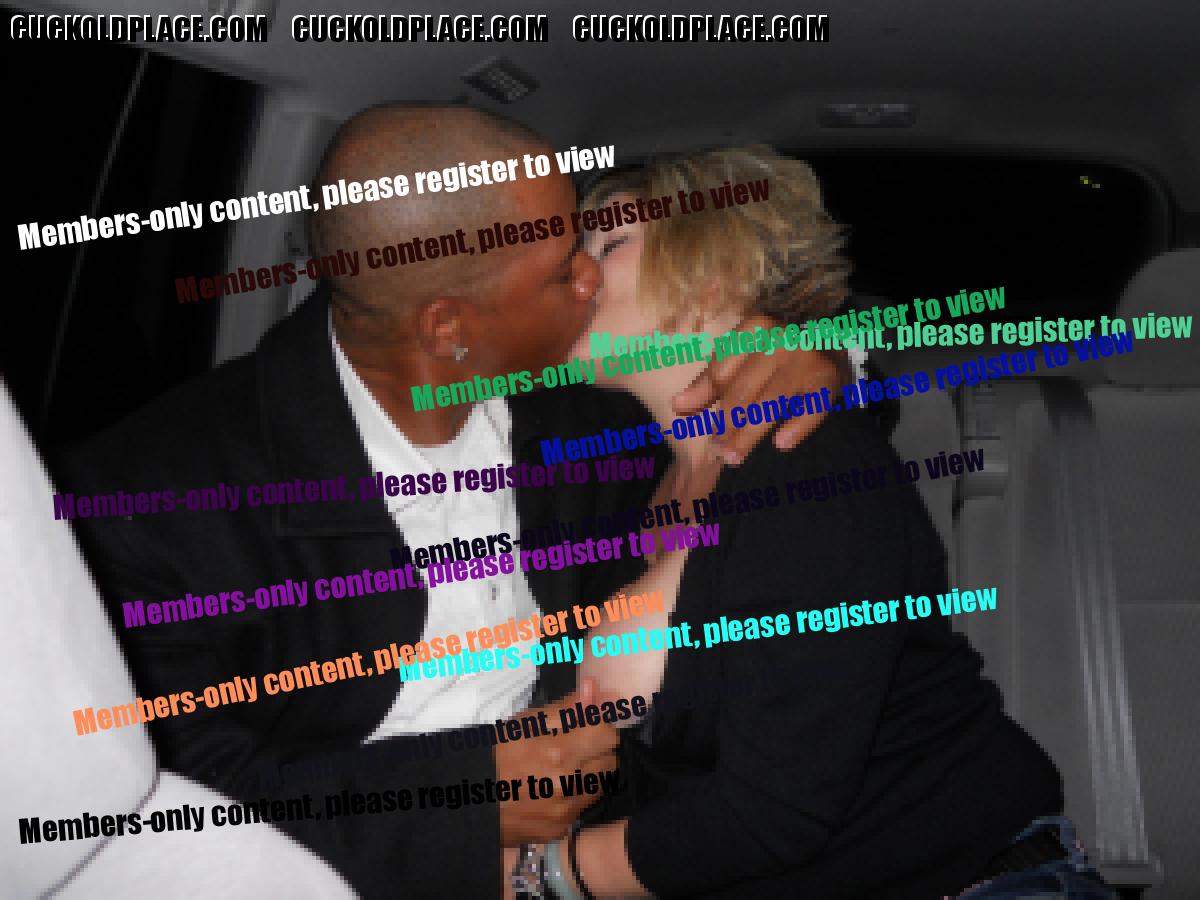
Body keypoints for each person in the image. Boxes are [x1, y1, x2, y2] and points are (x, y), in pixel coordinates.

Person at [58, 106, 839, 897]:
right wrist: (463, 800)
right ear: (448, 329)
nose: (592, 278)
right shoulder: (144, 501)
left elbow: (753, 448)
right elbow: (162, 797)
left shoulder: (584, 410)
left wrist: (818, 361)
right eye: (562, 268)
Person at [507, 148, 1109, 900]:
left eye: (611, 244)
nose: (578, 272)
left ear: (715, 271)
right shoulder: (631, 479)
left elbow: (774, 813)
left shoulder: (807, 457)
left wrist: (545, 876)